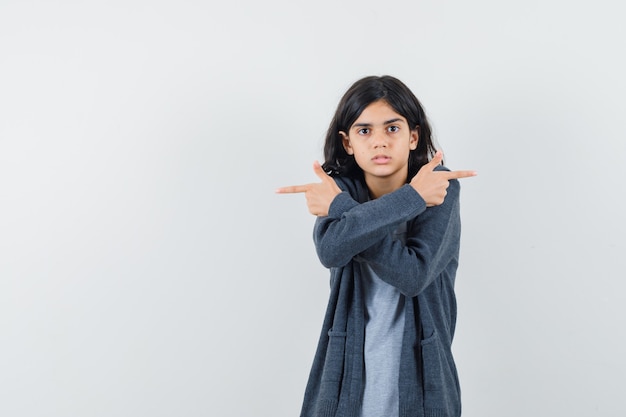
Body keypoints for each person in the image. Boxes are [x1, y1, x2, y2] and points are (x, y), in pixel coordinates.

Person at [276, 75, 476, 417]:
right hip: (344, 376)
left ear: (413, 136)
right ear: (348, 142)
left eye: (392, 128)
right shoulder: (340, 188)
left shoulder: (439, 189)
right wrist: (409, 199)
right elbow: (331, 251)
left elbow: (413, 274)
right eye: (365, 130)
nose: (379, 142)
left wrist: (342, 211)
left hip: (422, 376)